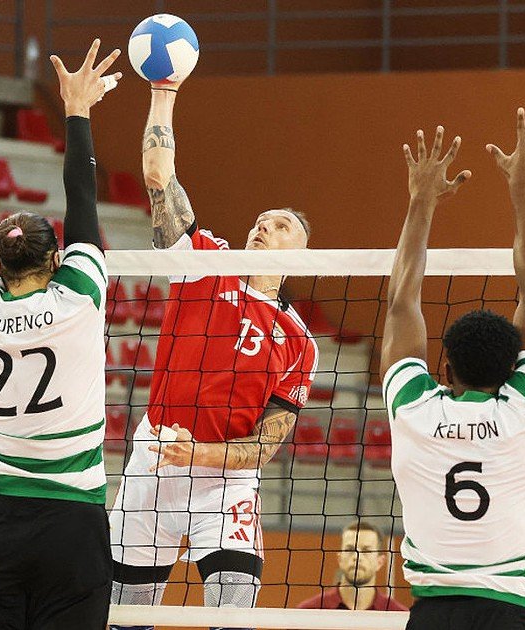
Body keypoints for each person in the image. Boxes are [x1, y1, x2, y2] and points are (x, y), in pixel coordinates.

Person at [0, 40, 122, 629]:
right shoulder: (78, 298)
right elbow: (83, 197)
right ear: (56, 257)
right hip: (74, 524)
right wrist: (78, 108)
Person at [108, 75, 319, 626]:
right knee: (126, 620)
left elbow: (264, 447)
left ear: (299, 256)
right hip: (154, 462)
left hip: (225, 479)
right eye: (260, 221)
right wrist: (164, 89)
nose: (261, 227)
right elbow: (159, 177)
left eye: (279, 227)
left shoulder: (299, 341)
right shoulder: (205, 259)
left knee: (233, 618)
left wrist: (199, 456)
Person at [381, 107, 525, 630]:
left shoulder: (414, 408)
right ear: (516, 368)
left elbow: (402, 302)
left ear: (444, 367)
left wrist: (421, 203)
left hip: (433, 618)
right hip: (509, 615)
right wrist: (524, 187)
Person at [295, 521, 407, 612]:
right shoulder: (309, 612)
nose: (357, 557)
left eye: (366, 550)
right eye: (350, 549)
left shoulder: (398, 616)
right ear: (340, 558)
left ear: (380, 562)